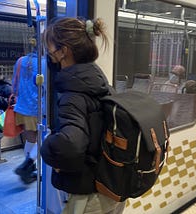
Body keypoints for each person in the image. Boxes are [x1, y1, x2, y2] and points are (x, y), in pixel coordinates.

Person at [41, 17, 126, 214]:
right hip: (109, 187)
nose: (48, 54)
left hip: (87, 195)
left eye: (50, 47)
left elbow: (70, 145)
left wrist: (46, 145)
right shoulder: (99, 81)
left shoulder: (73, 94)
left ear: (63, 51)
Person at [13, 40, 46, 184]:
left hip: (22, 107)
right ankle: (28, 166)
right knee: (43, 140)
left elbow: (14, 86)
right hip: (39, 109)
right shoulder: (46, 64)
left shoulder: (20, 61)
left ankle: (29, 169)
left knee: (31, 140)